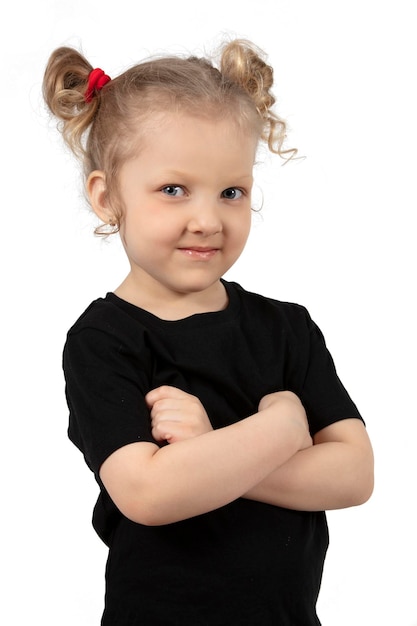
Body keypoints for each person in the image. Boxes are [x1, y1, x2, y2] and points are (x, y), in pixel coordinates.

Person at [43, 38, 374, 625]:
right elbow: (147, 493)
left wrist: (206, 447)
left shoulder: (286, 329)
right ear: (106, 197)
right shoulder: (103, 340)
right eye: (174, 190)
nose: (207, 219)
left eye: (232, 192)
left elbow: (353, 475)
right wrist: (280, 427)